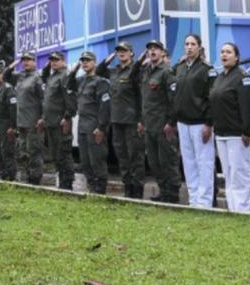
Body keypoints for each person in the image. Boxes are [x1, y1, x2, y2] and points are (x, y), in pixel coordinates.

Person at [209, 43, 250, 213]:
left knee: (240, 173)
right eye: (222, 52)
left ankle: (242, 210)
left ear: (236, 57)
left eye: (228, 52)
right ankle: (232, 208)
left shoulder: (243, 78)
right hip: (221, 134)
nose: (224, 55)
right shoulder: (220, 78)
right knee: (228, 174)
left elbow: (249, 107)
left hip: (238, 135)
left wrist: (248, 131)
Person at [98, 42, 145, 198]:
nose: (121, 53)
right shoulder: (115, 71)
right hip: (116, 120)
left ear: (131, 53)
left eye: (124, 51)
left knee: (135, 157)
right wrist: (109, 59)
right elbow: (99, 71)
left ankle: (137, 191)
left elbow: (141, 96)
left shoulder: (136, 70)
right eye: (119, 51)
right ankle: (128, 188)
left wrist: (140, 119)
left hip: (131, 121)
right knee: (122, 157)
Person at [173, 35, 216, 208]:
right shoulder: (181, 68)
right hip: (183, 123)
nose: (189, 47)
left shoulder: (207, 69)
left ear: (199, 47)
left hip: (200, 123)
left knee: (204, 163)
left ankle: (204, 203)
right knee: (189, 163)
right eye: (186, 44)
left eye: (193, 44)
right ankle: (193, 200)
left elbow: (212, 98)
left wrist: (209, 123)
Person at [136, 40, 179, 203]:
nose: (152, 51)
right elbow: (144, 99)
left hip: (163, 126)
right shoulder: (146, 71)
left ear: (162, 53)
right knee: (154, 162)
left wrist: (171, 123)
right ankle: (163, 191)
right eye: (150, 49)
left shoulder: (167, 72)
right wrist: (141, 120)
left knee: (168, 161)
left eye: (156, 49)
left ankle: (173, 194)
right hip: (149, 125)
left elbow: (174, 100)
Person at [71, 51, 111, 194]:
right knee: (85, 161)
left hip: (94, 126)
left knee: (97, 160)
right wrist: (74, 70)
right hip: (82, 126)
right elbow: (68, 85)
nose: (84, 63)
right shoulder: (81, 80)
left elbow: (105, 107)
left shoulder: (100, 82)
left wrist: (101, 127)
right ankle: (92, 187)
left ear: (94, 62)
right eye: (82, 61)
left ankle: (100, 190)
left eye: (88, 60)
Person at [5, 53, 46, 185]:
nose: (26, 62)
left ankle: (35, 180)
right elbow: (5, 76)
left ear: (35, 62)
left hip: (33, 123)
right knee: (23, 152)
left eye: (29, 60)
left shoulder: (37, 78)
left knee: (34, 152)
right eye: (23, 60)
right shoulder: (21, 76)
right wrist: (12, 65)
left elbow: (43, 99)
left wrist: (42, 118)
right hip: (21, 122)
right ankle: (28, 177)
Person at [39, 52, 77, 189]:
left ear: (63, 61)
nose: (53, 62)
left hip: (61, 123)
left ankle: (67, 183)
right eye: (51, 60)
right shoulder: (51, 77)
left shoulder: (65, 76)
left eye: (56, 60)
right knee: (55, 155)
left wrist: (67, 117)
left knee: (64, 154)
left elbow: (71, 100)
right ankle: (62, 182)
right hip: (51, 122)